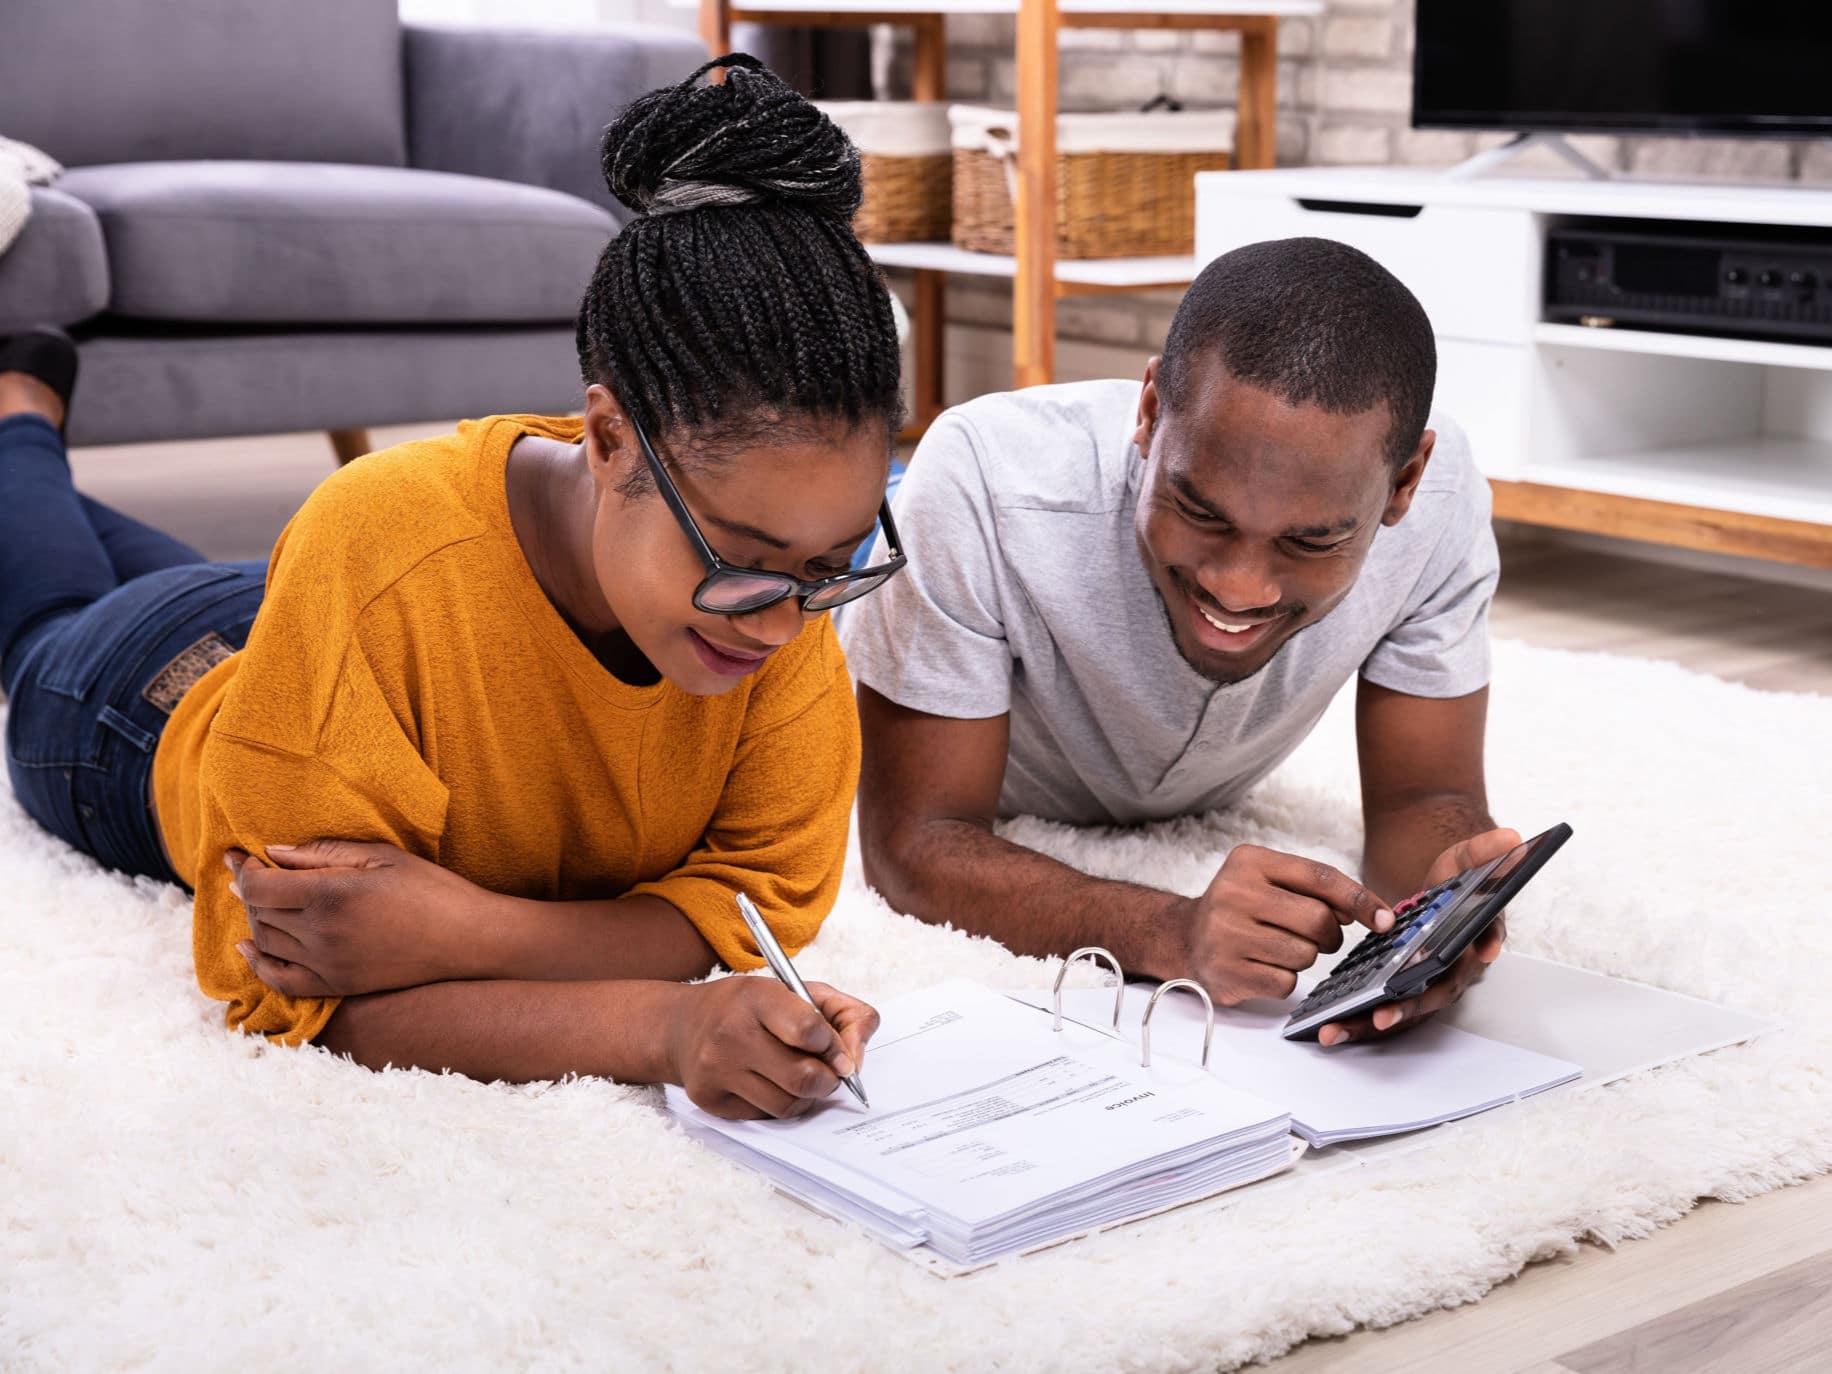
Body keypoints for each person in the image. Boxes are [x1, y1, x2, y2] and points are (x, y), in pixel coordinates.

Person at [0, 56, 899, 1117]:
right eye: (744, 559)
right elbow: (307, 986)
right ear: (608, 438)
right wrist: (660, 1024)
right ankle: (22, 419)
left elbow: (749, 911)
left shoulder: (771, 589)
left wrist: (473, 931)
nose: (788, 622)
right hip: (146, 707)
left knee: (181, 572)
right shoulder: (376, 539)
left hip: (314, 634)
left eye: (830, 568)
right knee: (48, 619)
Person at [840, 237, 1520, 1048]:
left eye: (1308, 544)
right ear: (1151, 412)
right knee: (852, 528)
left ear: (1404, 483)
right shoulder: (981, 482)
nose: (1240, 588)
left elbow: (1422, 801)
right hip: (874, 553)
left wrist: (1432, 922)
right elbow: (913, 844)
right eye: (1201, 512)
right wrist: (1167, 929)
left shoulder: (1441, 505)